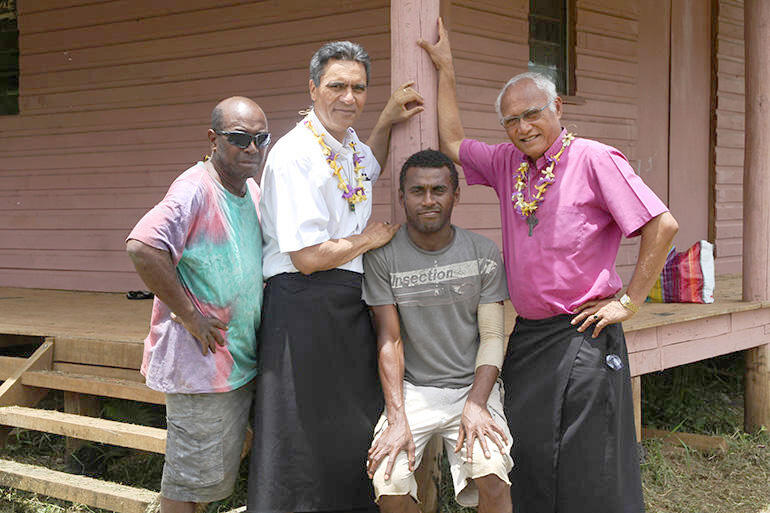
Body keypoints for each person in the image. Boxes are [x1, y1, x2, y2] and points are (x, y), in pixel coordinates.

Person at [419, 19, 679, 513]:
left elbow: (661, 225)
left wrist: (630, 301)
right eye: (512, 121)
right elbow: (453, 140)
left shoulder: (593, 158)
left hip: (584, 329)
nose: (523, 127)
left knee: (590, 456)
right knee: (532, 449)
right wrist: (446, 70)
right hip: (532, 336)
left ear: (557, 107)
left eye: (532, 114)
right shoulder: (506, 163)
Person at [248, 41, 424, 513]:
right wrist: (371, 239)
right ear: (312, 88)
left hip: (347, 299)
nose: (349, 97)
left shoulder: (348, 146)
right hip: (303, 302)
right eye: (337, 86)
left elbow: (371, 168)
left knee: (348, 427)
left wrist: (385, 119)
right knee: (301, 435)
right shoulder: (296, 154)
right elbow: (306, 256)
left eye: (359, 88)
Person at [126, 97, 268, 513]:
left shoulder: (250, 191)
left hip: (237, 362)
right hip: (202, 367)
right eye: (240, 138)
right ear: (214, 139)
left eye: (261, 138)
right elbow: (143, 247)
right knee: (187, 484)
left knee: (207, 478)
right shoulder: (194, 188)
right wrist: (190, 315)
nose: (252, 149)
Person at [362, 149, 513, 513]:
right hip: (413, 389)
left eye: (438, 190)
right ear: (402, 197)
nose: (428, 200)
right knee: (389, 481)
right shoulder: (383, 256)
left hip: (472, 386)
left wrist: (477, 403)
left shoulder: (482, 252)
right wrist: (397, 417)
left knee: (492, 473)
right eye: (417, 191)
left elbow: (493, 337)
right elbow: (389, 339)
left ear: (455, 194)